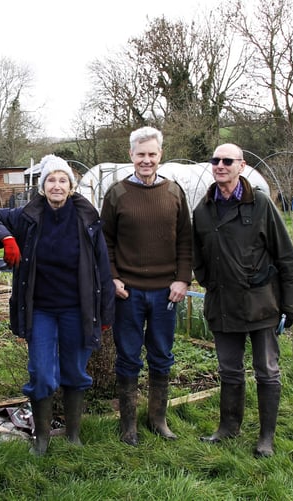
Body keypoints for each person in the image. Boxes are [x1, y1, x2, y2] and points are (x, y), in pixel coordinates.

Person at [0, 154, 115, 456]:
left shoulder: (87, 219)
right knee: (41, 372)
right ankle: (42, 438)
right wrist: (7, 239)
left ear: (71, 185)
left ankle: (73, 435)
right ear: (42, 187)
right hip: (40, 310)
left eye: (62, 180)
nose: (56, 185)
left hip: (77, 309)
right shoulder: (27, 216)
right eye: (51, 180)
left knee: (75, 371)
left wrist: (104, 312)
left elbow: (103, 267)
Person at [192, 143, 293, 458]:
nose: (220, 165)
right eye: (215, 160)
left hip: (261, 304)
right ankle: (228, 427)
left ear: (241, 166)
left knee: (266, 370)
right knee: (229, 370)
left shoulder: (260, 205)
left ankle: (266, 437)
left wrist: (292, 304)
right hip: (223, 305)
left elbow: (287, 256)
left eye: (228, 160)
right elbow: (197, 256)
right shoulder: (203, 209)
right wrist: (211, 283)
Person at [100, 126, 193, 446]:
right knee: (127, 357)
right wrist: (112, 277)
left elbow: (185, 239)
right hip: (129, 291)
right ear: (131, 156)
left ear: (160, 155)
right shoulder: (117, 194)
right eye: (141, 154)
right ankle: (128, 425)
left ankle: (158, 418)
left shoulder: (174, 192)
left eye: (152, 154)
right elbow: (106, 241)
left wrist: (183, 278)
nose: (146, 160)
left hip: (167, 290)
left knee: (162, 355)